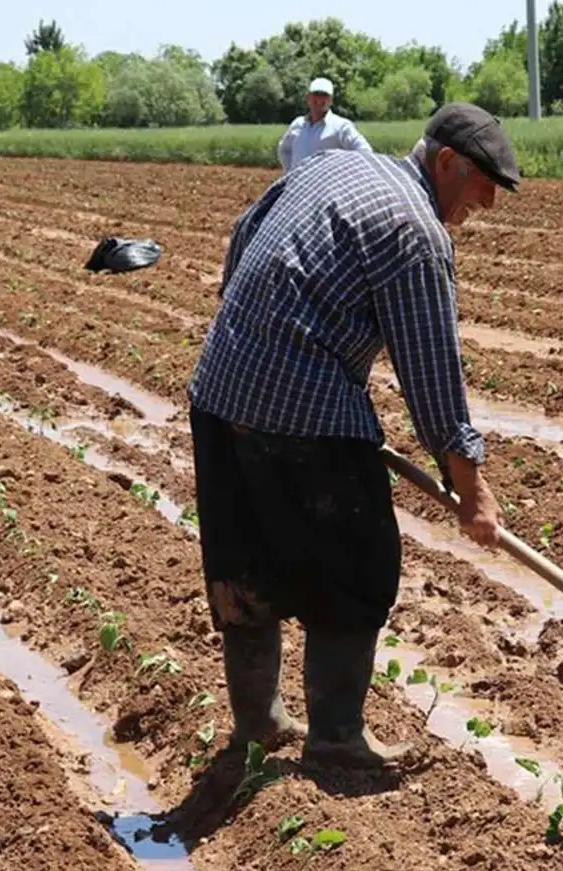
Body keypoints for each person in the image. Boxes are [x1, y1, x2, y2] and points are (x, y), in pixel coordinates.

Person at [188, 102, 520, 769]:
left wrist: (257, 332)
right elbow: (432, 373)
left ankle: (258, 726)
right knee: (357, 566)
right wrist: (472, 488)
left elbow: (242, 234)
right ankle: (336, 741)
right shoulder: (416, 231)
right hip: (302, 410)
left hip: (219, 389)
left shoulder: (332, 166)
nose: (485, 201)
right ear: (446, 161)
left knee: (244, 567)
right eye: (483, 181)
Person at [276, 77, 372, 172]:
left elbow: (365, 152)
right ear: (308, 97)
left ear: (331, 100)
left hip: (327, 186)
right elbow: (284, 150)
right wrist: (291, 173)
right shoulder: (297, 124)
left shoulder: (341, 127)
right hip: (299, 185)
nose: (319, 99)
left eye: (324, 95)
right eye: (316, 94)